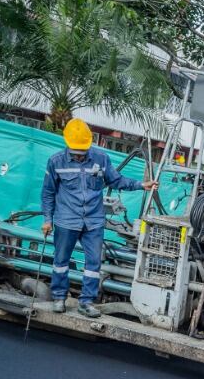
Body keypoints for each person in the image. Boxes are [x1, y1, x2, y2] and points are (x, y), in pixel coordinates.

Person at [41, 118, 156, 317]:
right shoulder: (55, 161)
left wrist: (140, 185)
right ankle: (59, 297)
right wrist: (47, 219)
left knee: (93, 264)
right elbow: (48, 193)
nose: (79, 155)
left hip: (93, 221)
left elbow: (116, 180)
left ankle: (86, 302)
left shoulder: (101, 159)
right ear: (68, 143)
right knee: (61, 261)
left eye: (82, 151)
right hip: (66, 220)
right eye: (76, 152)